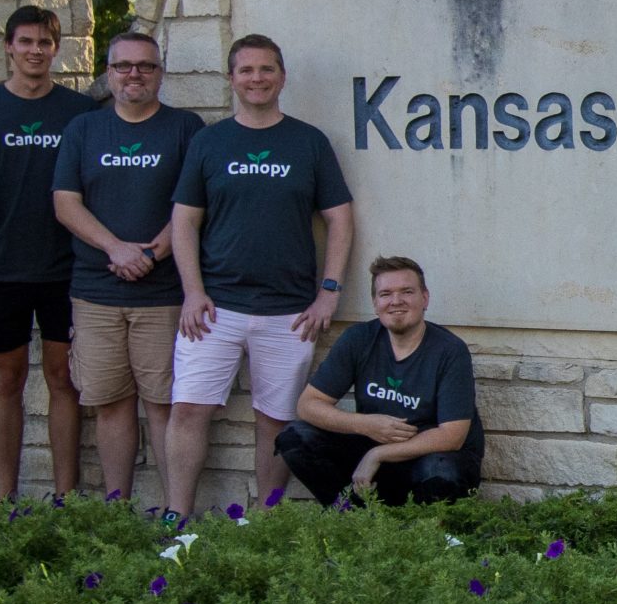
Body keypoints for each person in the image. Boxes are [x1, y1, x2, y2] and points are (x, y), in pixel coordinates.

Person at [165, 34, 355, 524]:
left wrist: (328, 294)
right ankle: (174, 517)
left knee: (275, 421)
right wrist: (192, 292)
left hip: (289, 313)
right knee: (188, 411)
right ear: (231, 79)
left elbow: (340, 217)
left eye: (266, 69)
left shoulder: (309, 142)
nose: (256, 79)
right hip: (214, 310)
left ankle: (263, 523)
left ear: (282, 77)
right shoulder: (209, 141)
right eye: (246, 70)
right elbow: (184, 221)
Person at [52, 30, 206, 502]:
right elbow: (65, 202)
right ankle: (116, 510)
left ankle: (171, 514)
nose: (133, 74)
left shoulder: (185, 128)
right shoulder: (85, 129)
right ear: (109, 72)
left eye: (145, 66)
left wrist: (150, 254)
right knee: (111, 404)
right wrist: (116, 249)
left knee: (164, 405)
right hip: (96, 293)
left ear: (160, 73)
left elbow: (195, 204)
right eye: (123, 66)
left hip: (163, 296)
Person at [0, 5, 98, 498]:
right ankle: (5, 496)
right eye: (26, 42)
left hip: (66, 268)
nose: (35, 51)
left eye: (44, 42)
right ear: (8, 48)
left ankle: (65, 497)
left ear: (56, 49)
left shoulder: (80, 112)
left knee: (64, 379)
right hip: (1, 268)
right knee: (7, 379)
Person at [276, 256, 484, 506]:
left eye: (407, 291)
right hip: (372, 461)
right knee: (295, 437)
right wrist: (363, 425)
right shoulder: (358, 339)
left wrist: (378, 454)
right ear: (375, 303)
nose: (396, 301)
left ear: (424, 298)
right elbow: (308, 405)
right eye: (386, 294)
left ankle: (421, 535)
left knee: (444, 469)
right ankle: (352, 517)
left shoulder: (450, 350)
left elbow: (452, 436)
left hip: (427, 460)